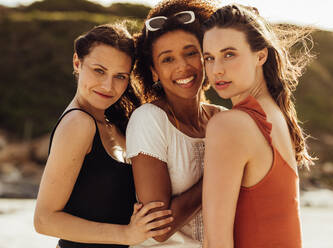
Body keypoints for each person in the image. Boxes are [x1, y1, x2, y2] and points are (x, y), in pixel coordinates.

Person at [33, 22, 173, 248]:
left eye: (120, 76)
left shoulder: (114, 122)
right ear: (77, 63)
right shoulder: (78, 124)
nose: (108, 86)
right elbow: (44, 220)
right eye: (99, 71)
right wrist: (126, 234)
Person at [202, 4, 316, 248]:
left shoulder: (231, 125)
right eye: (209, 57)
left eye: (229, 54)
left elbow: (216, 241)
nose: (216, 69)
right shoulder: (277, 114)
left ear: (260, 56)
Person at [125, 0, 225, 247]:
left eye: (191, 53)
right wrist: (221, 173)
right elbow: (159, 229)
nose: (182, 66)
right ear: (154, 71)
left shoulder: (225, 120)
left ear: (205, 57)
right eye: (167, 59)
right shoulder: (149, 119)